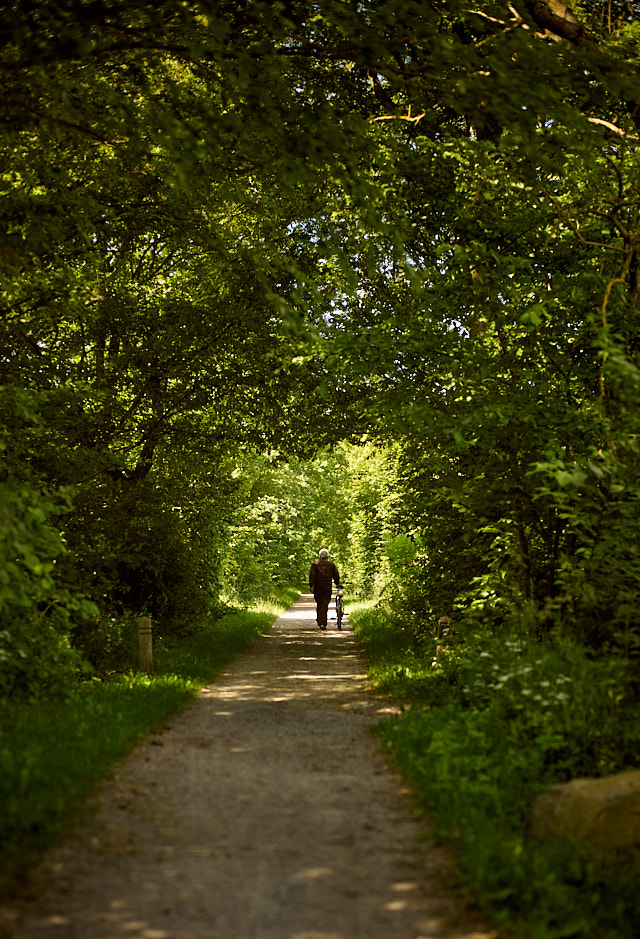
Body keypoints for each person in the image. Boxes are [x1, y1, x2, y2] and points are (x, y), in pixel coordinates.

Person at [309, 548, 340, 630]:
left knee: (319, 604)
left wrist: (311, 585)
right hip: (327, 587)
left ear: (319, 556)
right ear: (327, 556)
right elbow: (335, 575)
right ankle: (323, 622)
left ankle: (321, 621)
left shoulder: (315, 564)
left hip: (318, 587)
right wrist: (337, 584)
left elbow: (312, 575)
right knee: (325, 604)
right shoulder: (331, 565)